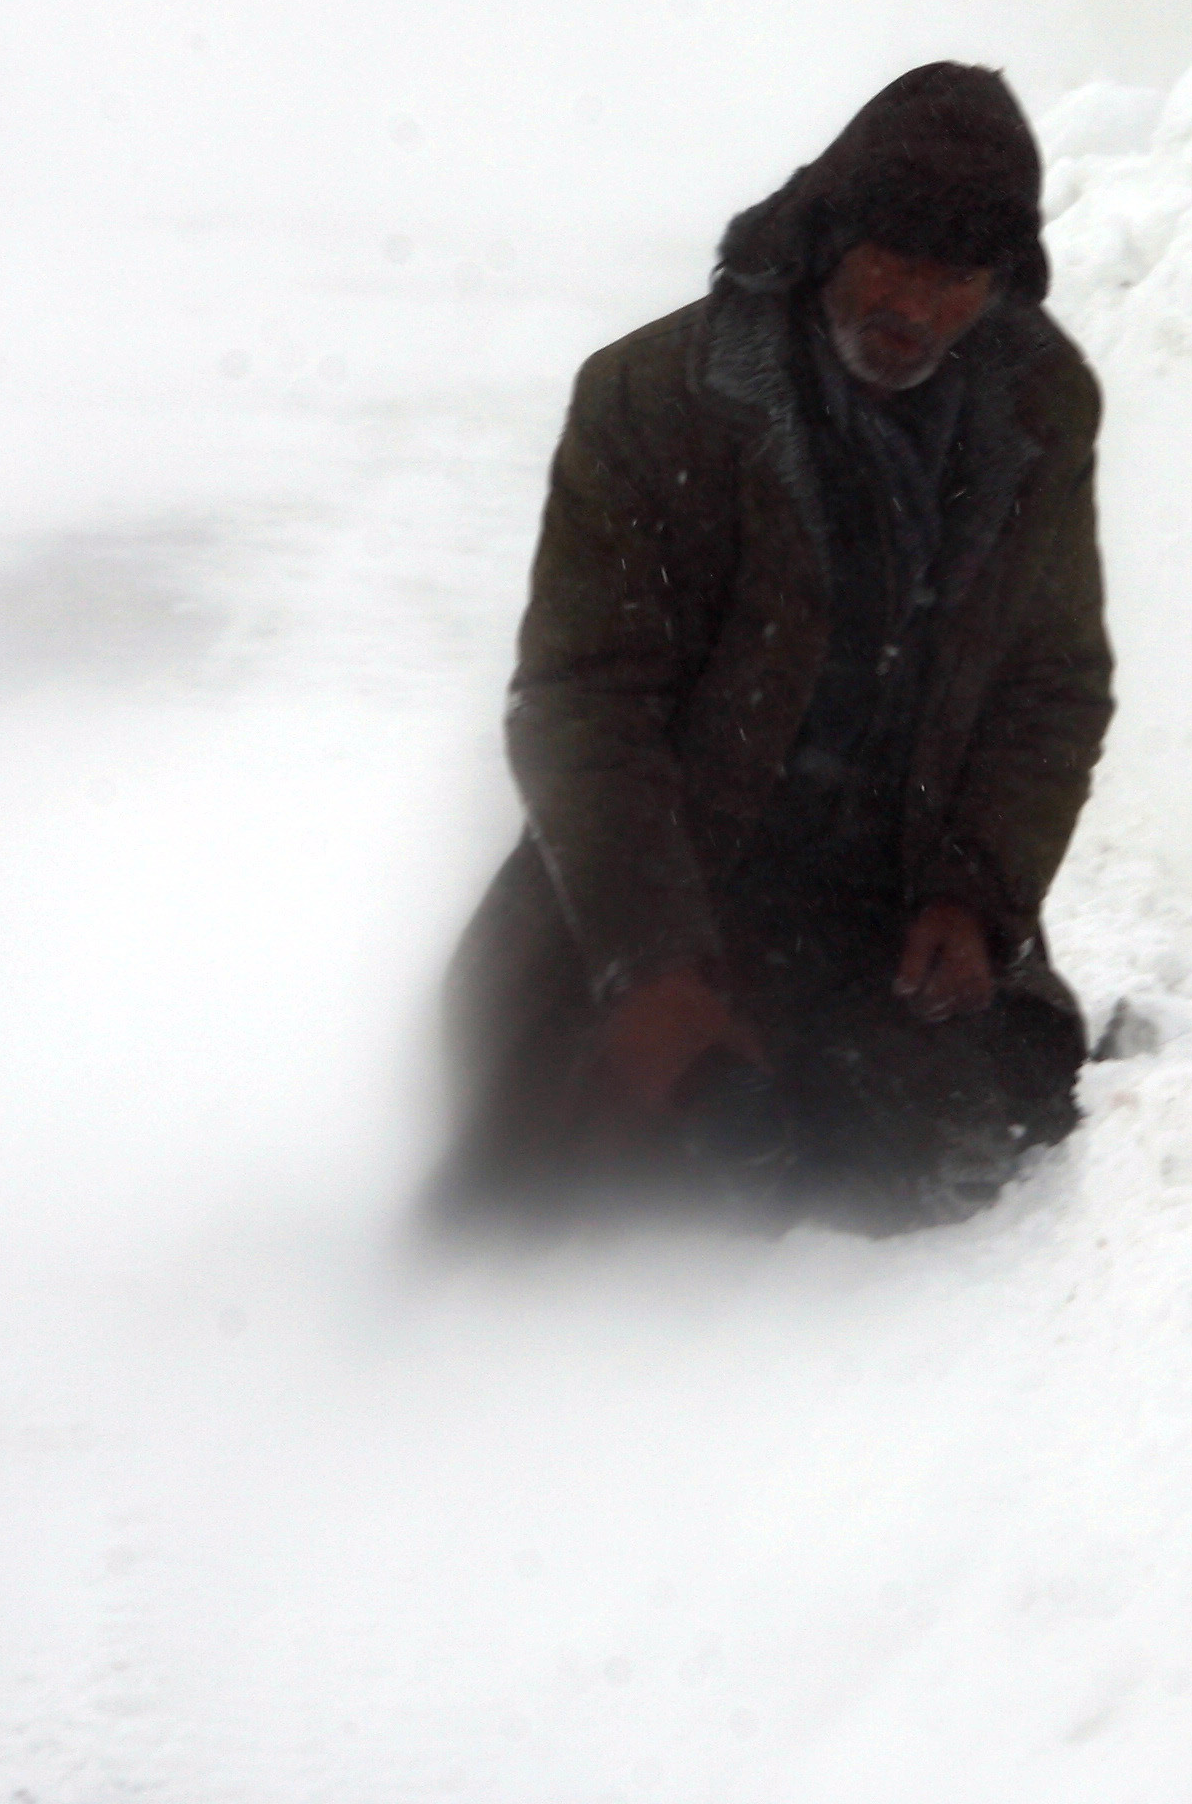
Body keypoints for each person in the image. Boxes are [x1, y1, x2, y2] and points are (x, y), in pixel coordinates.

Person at [435, 62, 1111, 1231]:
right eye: (890, 258)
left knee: (944, 1160)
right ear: (823, 240)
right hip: (669, 884)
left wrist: (975, 893)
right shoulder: (656, 397)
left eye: (956, 277)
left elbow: (1054, 679)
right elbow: (582, 698)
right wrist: (650, 966)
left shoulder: (1038, 410)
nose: (915, 303)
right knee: (559, 1198)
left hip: (880, 900)